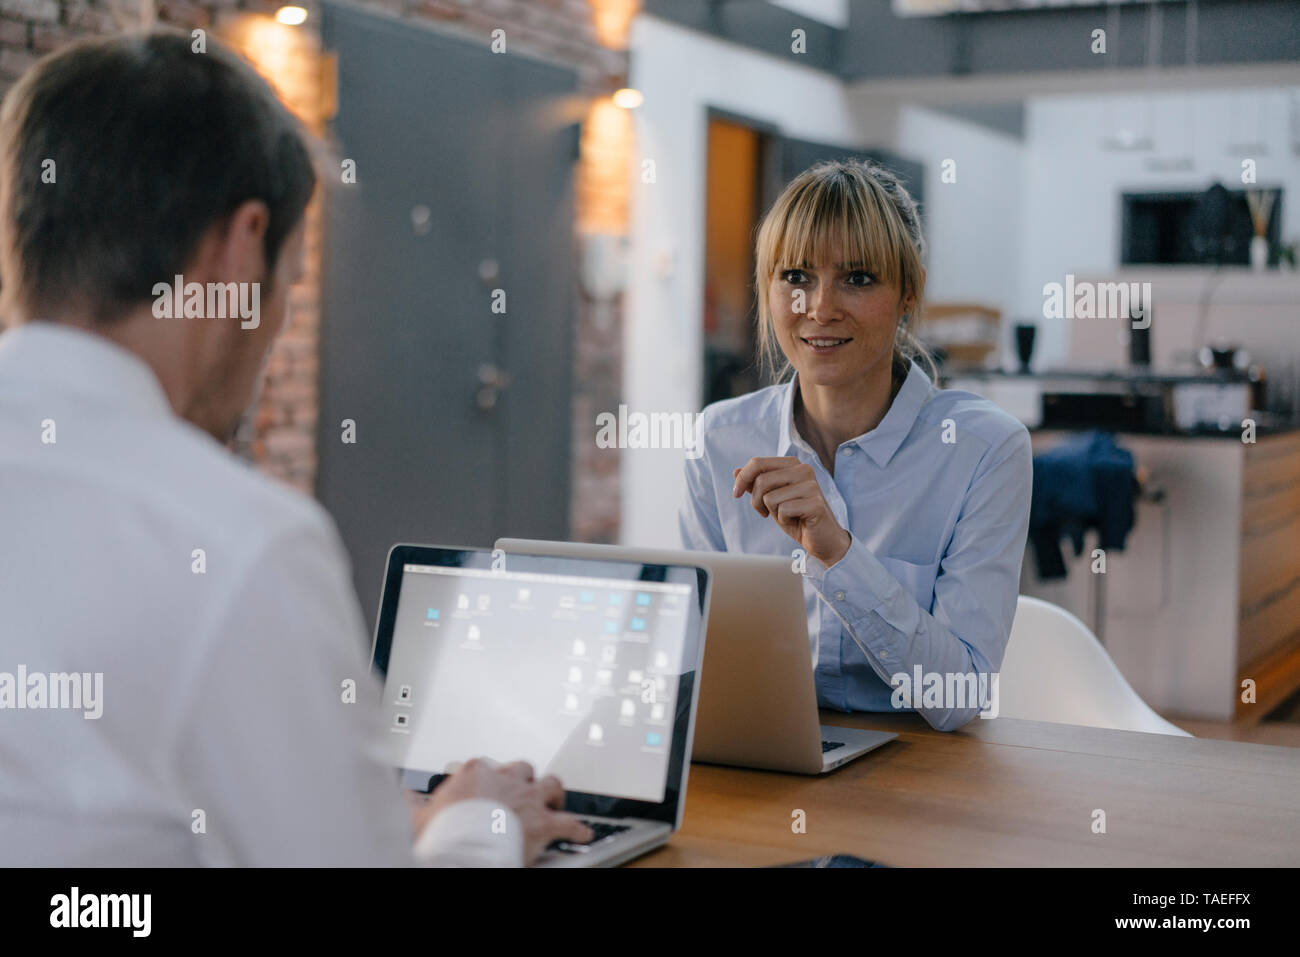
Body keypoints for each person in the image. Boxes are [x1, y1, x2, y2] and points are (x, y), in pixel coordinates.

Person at [0, 29, 590, 865]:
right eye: (290, 277)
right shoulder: (238, 543)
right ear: (242, 250)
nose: (276, 322)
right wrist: (479, 823)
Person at [679, 160, 1032, 732]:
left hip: (923, 772)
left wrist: (839, 555)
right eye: (795, 276)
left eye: (858, 278)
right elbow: (698, 654)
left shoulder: (985, 449)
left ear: (908, 292)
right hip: (765, 755)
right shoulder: (720, 441)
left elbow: (961, 694)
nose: (819, 308)